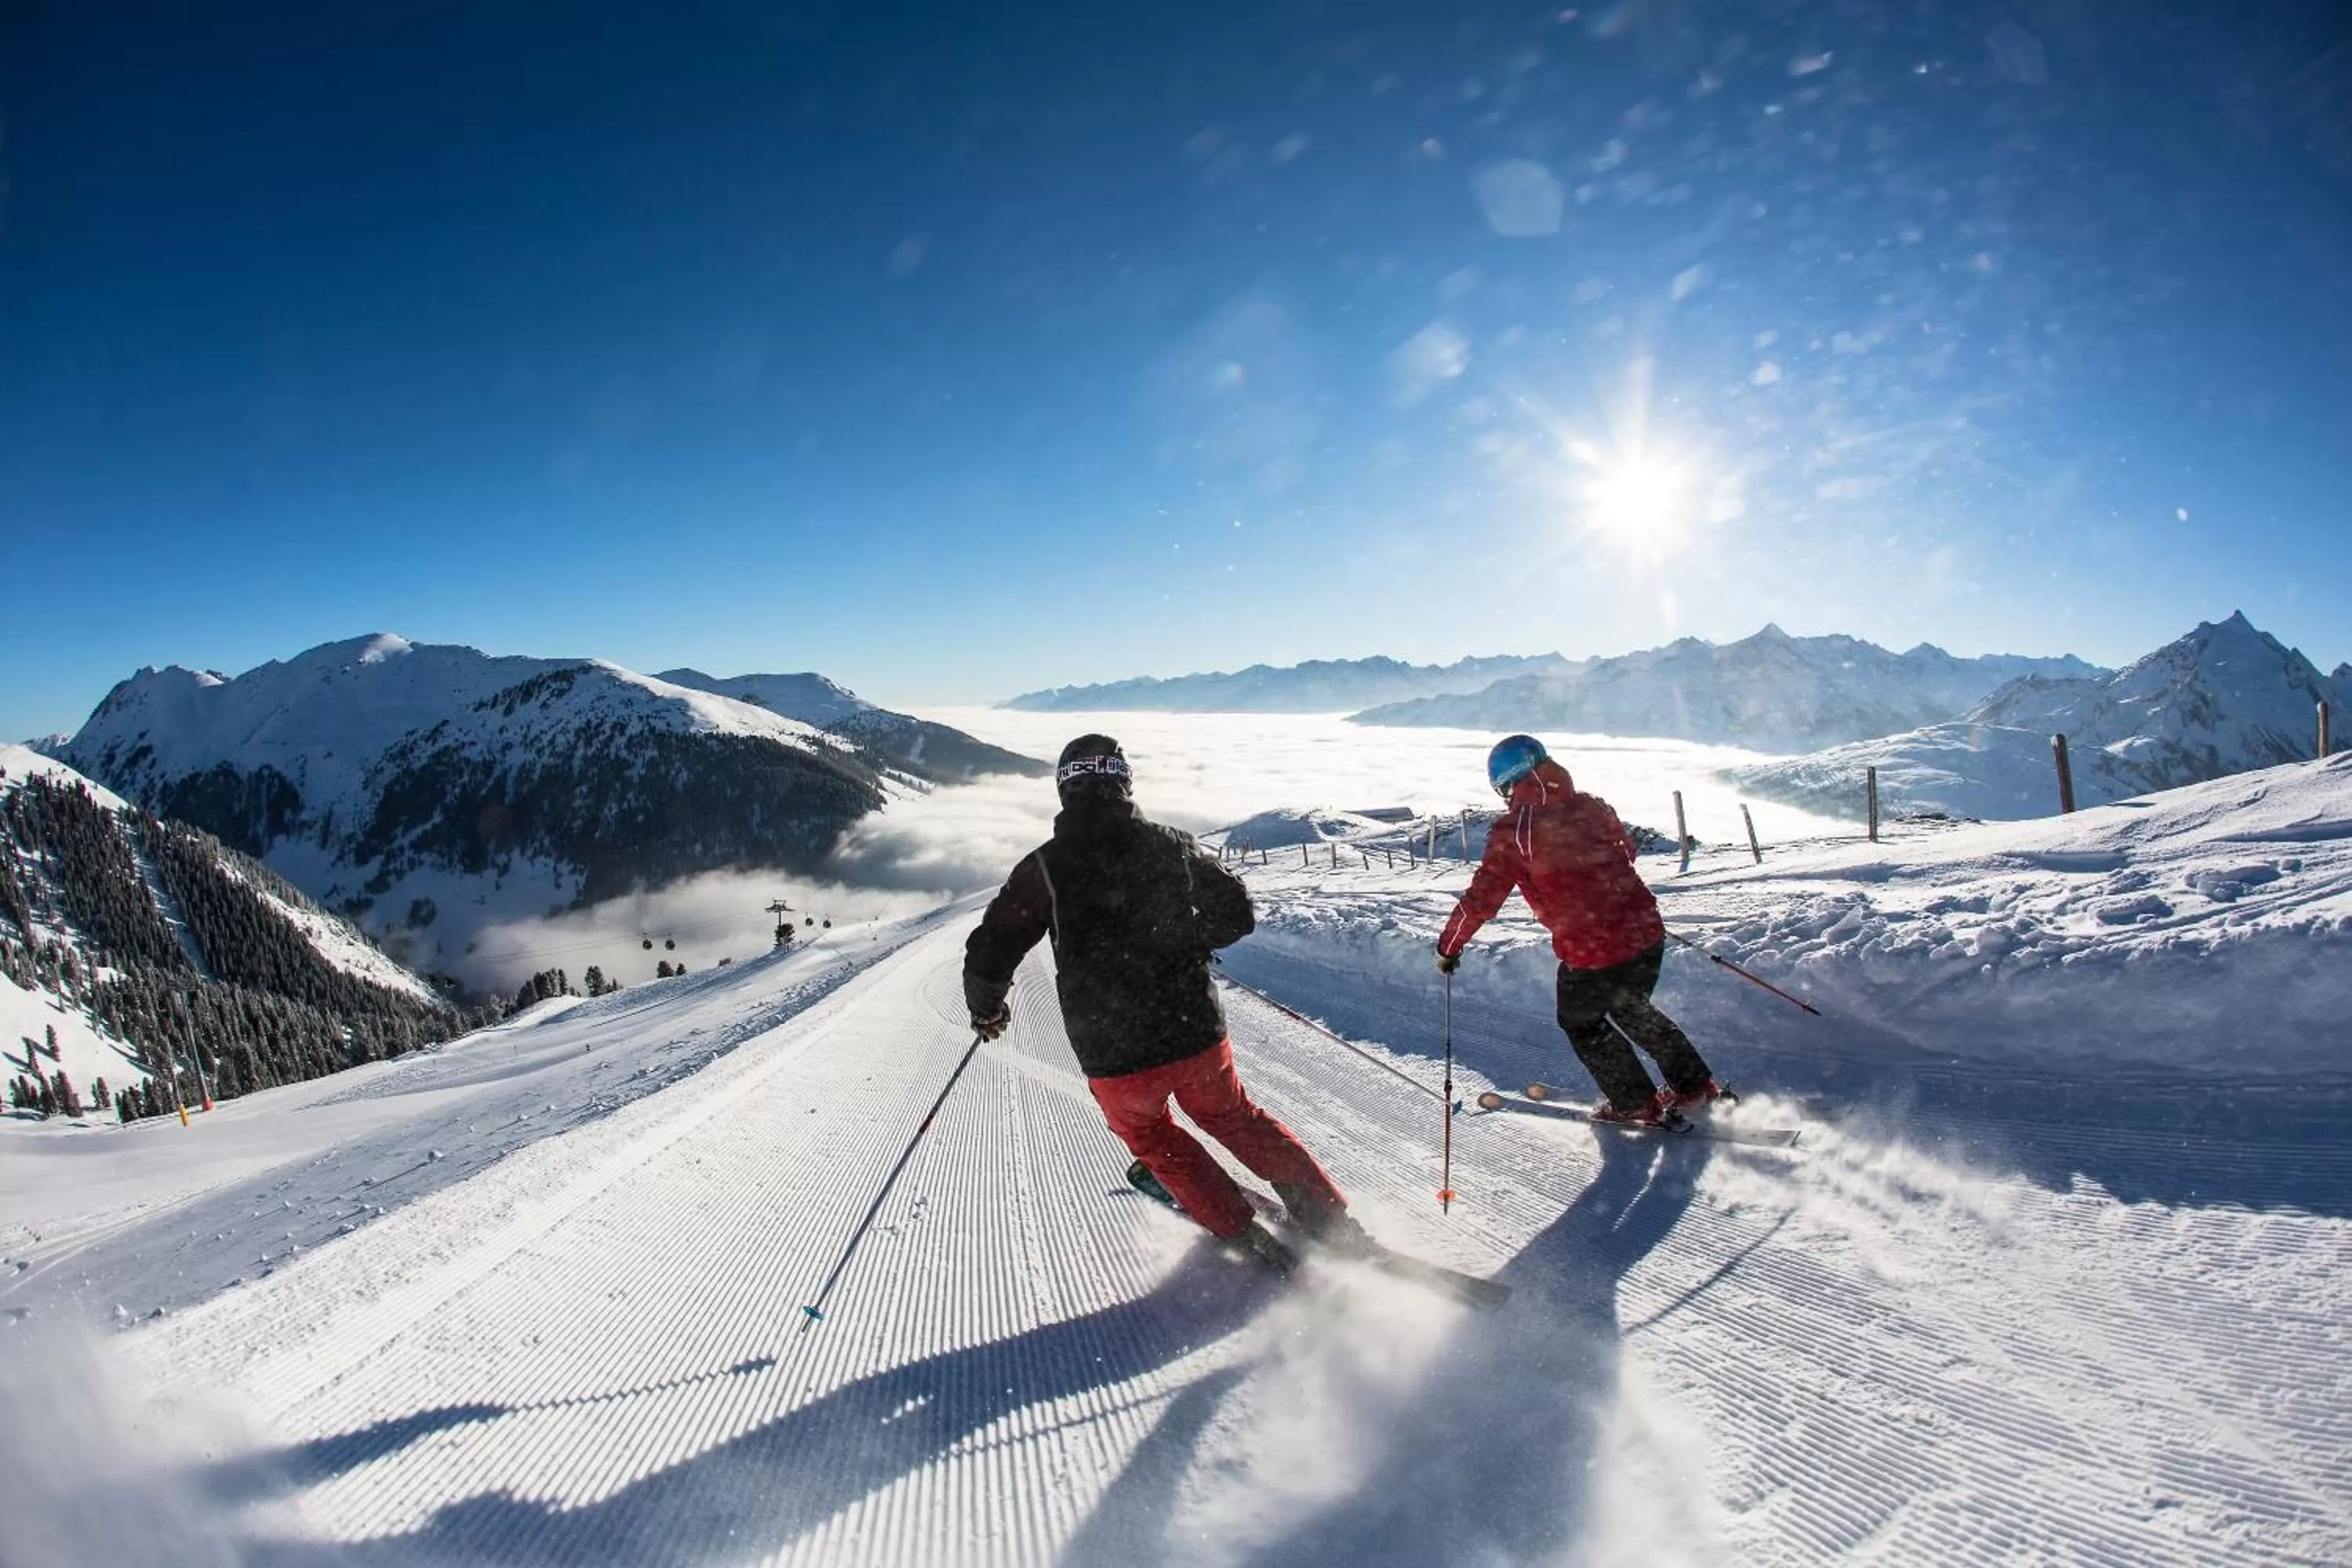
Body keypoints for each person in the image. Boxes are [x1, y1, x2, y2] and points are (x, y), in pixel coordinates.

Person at [964, 734, 1363, 1267]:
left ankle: (1241, 1234)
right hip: (1194, 1031)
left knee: (1151, 1136)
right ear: (1124, 781)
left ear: (1066, 792)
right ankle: (1332, 1224)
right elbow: (1236, 912)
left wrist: (987, 1009)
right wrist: (1191, 942)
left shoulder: (1044, 868)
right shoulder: (1171, 844)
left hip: (1114, 1053)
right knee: (1234, 1118)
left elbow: (991, 947)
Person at [1435, 734, 1727, 1125]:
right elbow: (1628, 851)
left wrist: (1449, 948)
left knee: (1581, 1021)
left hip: (1592, 948)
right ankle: (1694, 1085)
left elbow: (1481, 900)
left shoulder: (1514, 832)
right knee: (1631, 1007)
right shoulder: (1591, 804)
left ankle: (1635, 1103)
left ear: (1507, 783)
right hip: (1645, 931)